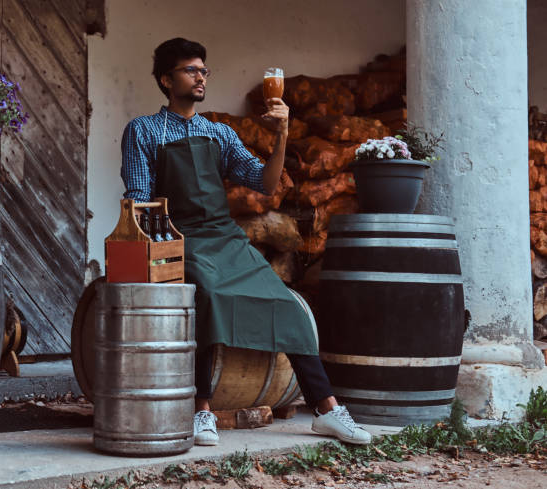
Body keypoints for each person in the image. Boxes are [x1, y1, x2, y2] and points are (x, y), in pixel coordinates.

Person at [121, 38, 371, 447]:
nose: (200, 76)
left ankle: (327, 410)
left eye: (204, 70)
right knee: (205, 296)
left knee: (286, 303)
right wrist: (160, 252)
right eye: (190, 70)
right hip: (179, 237)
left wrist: (282, 135)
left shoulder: (218, 132)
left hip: (225, 237)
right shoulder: (143, 130)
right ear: (167, 80)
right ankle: (201, 410)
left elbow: (265, 183)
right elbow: (140, 199)